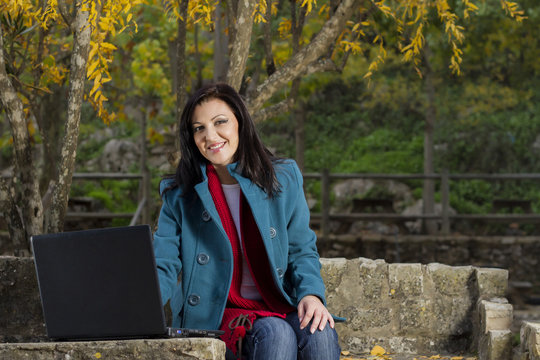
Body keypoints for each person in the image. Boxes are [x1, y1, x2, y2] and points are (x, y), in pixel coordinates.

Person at [153, 83, 341, 360]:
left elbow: (301, 249)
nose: (210, 135)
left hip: (279, 302)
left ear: (240, 122)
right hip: (218, 313)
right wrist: (137, 311)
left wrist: (311, 294)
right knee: (276, 334)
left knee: (320, 334)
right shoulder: (180, 195)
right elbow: (163, 263)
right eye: (199, 128)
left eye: (220, 122)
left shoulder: (283, 178)